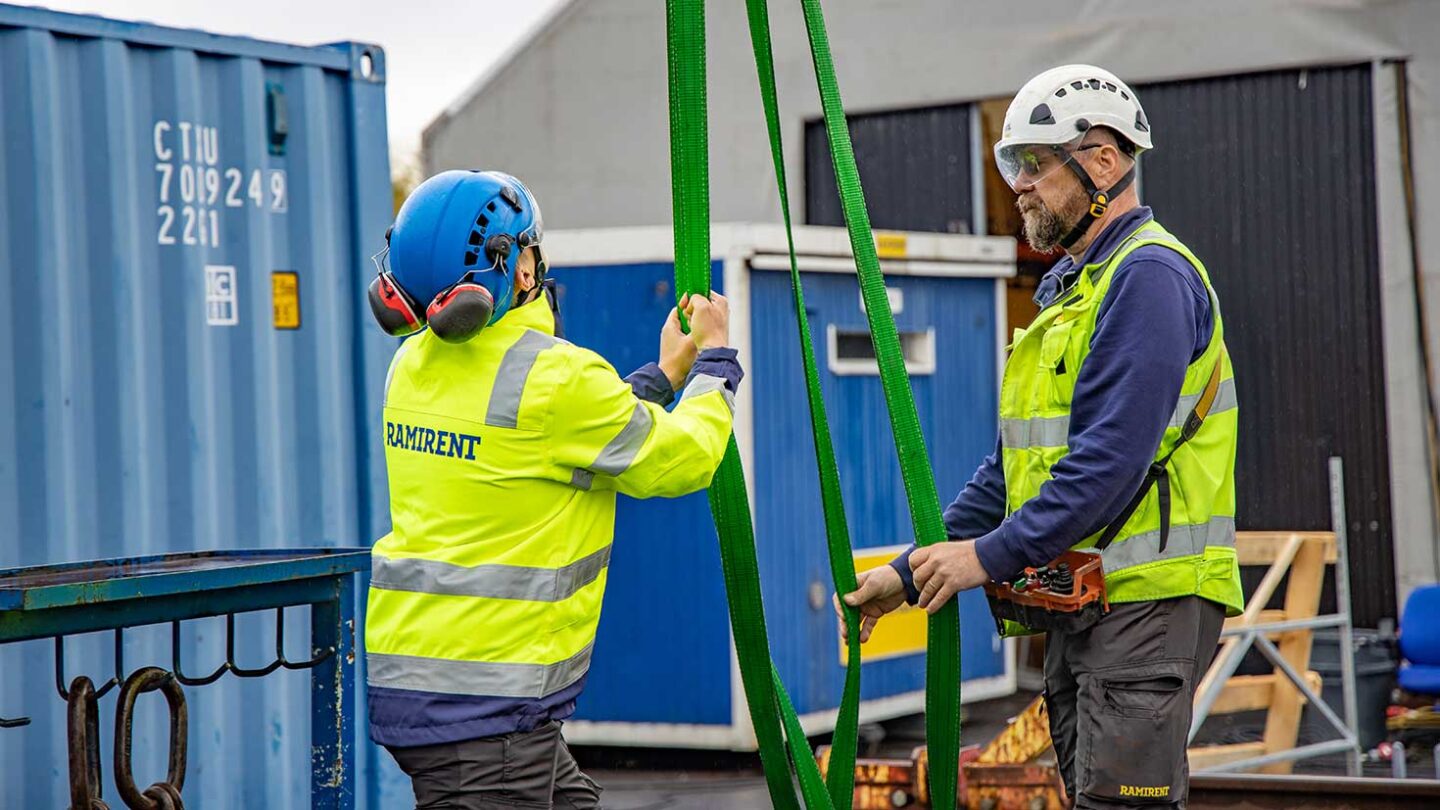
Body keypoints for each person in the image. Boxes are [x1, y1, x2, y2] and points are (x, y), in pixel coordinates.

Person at [838, 65, 1243, 809]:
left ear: (1104, 162)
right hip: (1091, 606)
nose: (1018, 185)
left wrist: (981, 559)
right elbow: (1008, 476)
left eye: (1034, 163)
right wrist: (907, 573)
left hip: (1146, 604)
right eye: (1012, 165)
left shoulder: (1147, 278)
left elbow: (1107, 467)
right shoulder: (1076, 288)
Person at [364, 169, 740, 808]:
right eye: (532, 248)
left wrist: (662, 377)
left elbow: (551, 441)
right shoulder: (557, 378)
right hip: (486, 710)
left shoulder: (412, 364)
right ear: (516, 267)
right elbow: (683, 458)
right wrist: (714, 363)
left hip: (433, 681)